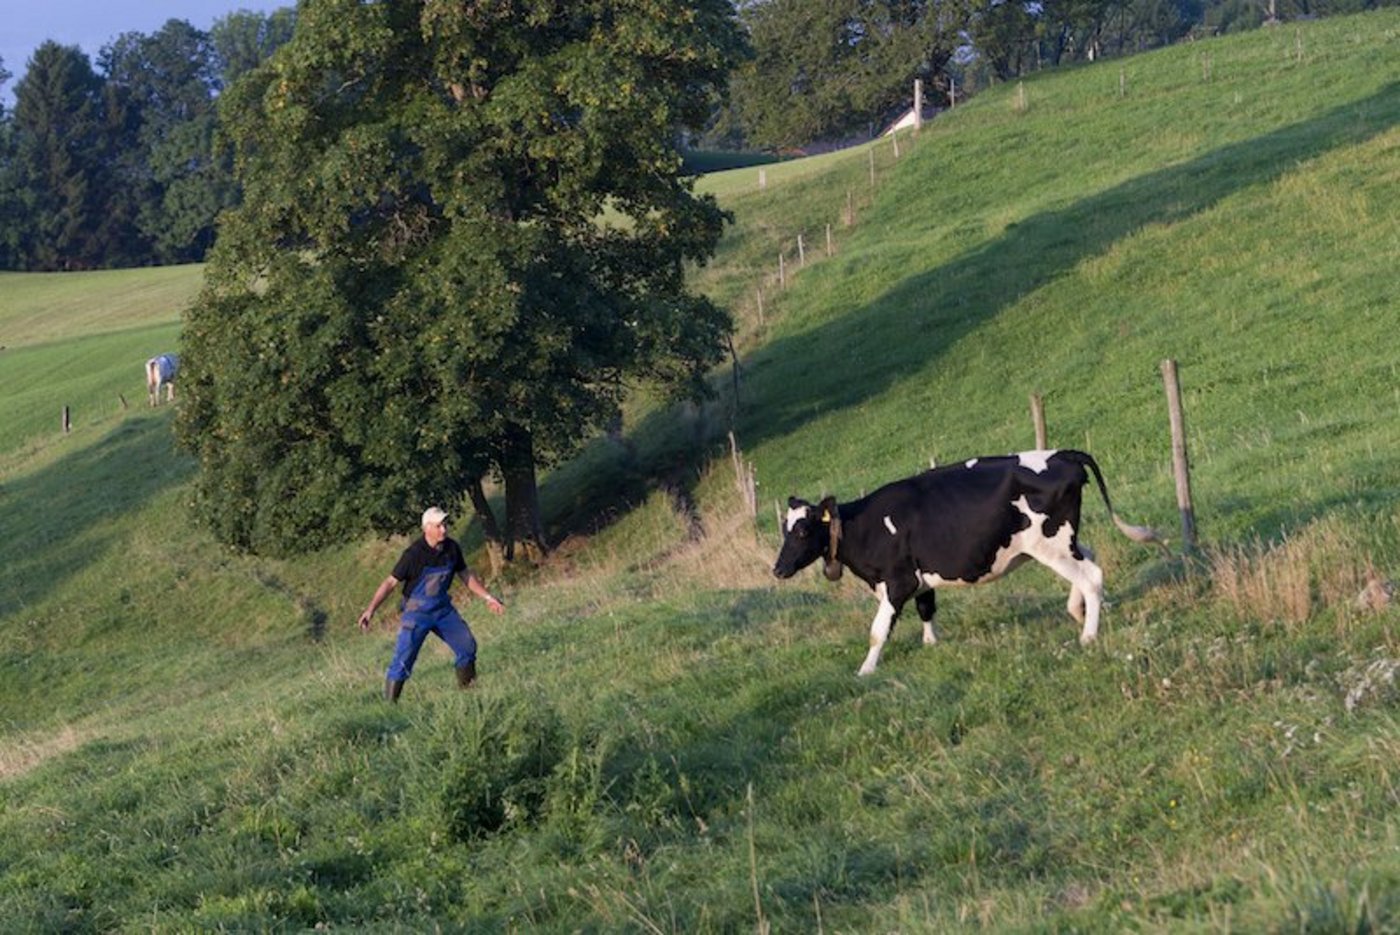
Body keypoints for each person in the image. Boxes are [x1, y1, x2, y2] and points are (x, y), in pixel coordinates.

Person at [358, 506, 505, 701]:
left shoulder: (452, 548)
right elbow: (390, 582)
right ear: (427, 528)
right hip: (416, 612)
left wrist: (488, 597)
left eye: (444, 524)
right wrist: (370, 610)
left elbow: (465, 575)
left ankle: (468, 694)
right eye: (438, 526)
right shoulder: (413, 554)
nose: (443, 529)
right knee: (404, 659)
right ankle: (389, 707)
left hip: (443, 610)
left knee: (467, 646)